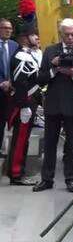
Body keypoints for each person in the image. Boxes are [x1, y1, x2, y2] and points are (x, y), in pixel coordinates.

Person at [33, 18, 73, 193]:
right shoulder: (50, 51)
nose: (70, 38)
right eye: (67, 34)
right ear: (60, 34)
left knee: (72, 143)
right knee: (50, 143)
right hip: (53, 103)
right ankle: (47, 179)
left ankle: (71, 179)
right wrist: (53, 68)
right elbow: (40, 79)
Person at [3, 21, 41, 186]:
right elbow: (20, 84)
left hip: (29, 101)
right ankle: (16, 174)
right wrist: (24, 105)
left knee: (22, 139)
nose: (36, 37)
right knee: (20, 139)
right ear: (25, 38)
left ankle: (17, 171)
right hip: (24, 103)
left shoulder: (28, 54)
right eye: (33, 34)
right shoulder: (21, 56)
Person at [0, 19, 19, 158]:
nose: (8, 30)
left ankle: (4, 149)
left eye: (10, 28)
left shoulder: (14, 45)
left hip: (10, 90)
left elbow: (18, 67)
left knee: (7, 120)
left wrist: (11, 82)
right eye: (5, 28)